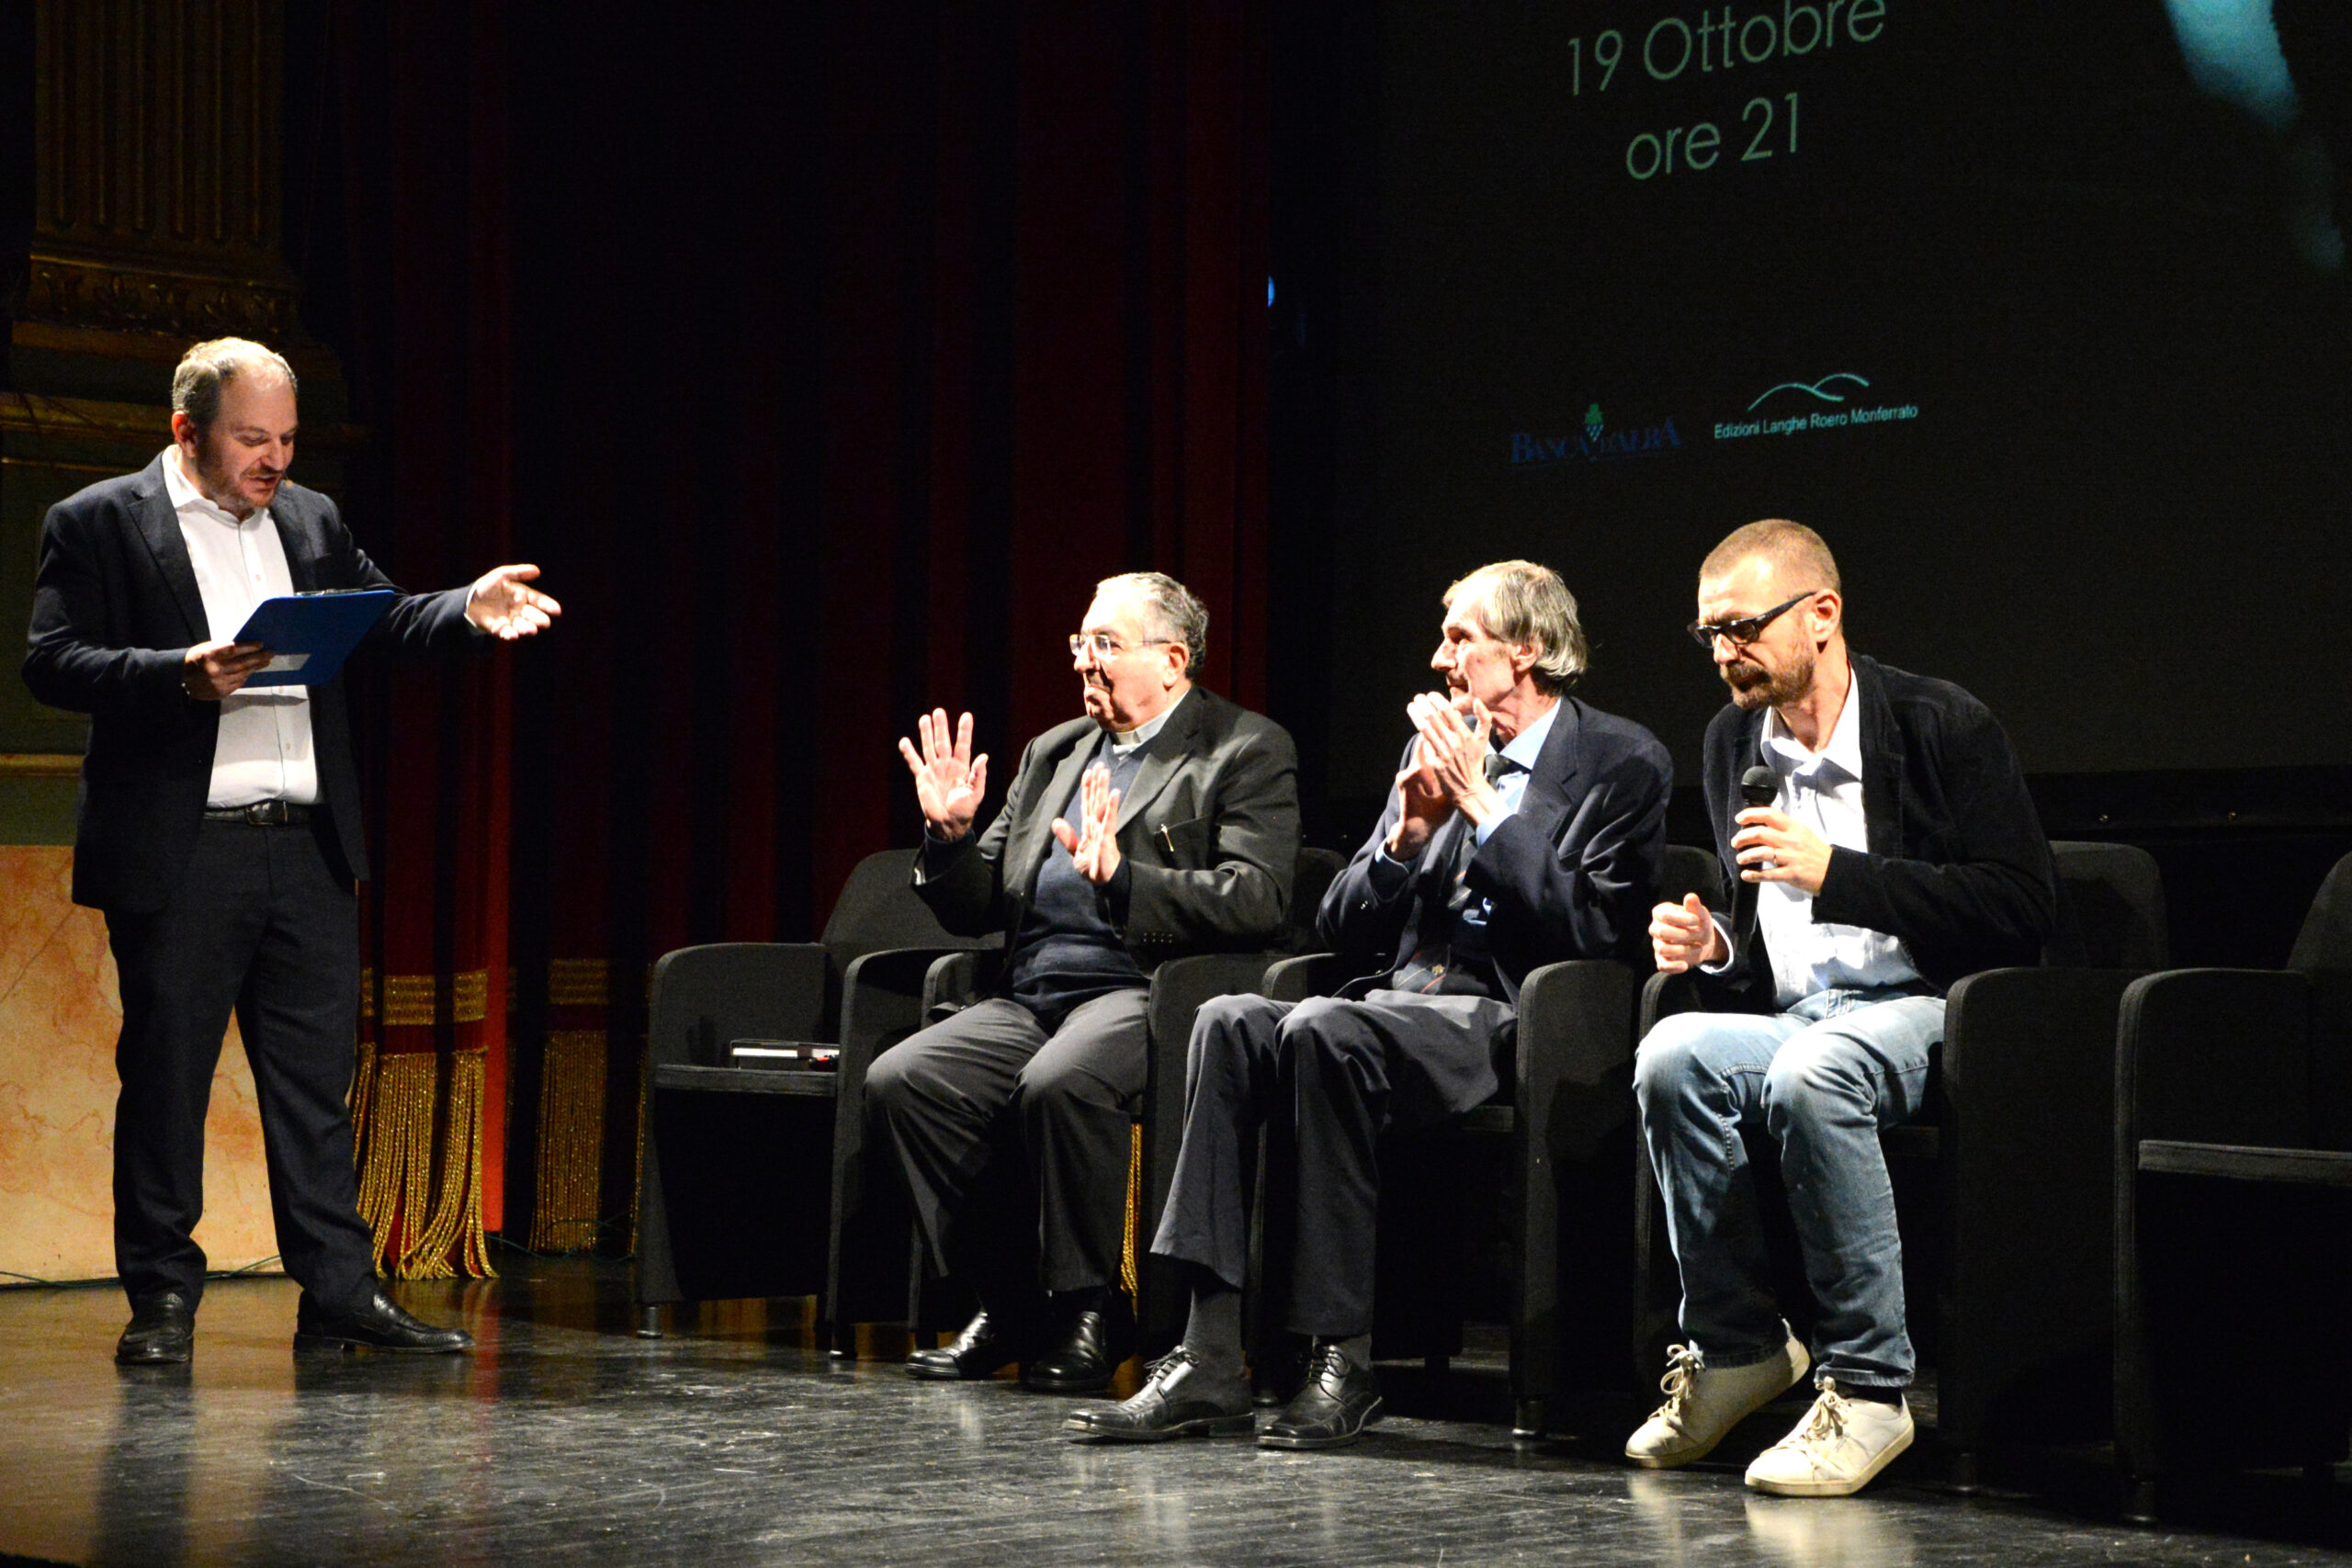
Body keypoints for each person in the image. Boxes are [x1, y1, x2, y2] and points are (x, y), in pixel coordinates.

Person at [22, 337, 560, 1363]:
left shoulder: (308, 519)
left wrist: (464, 609)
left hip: (304, 849)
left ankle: (340, 1295)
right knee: (169, 1081)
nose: (275, 460)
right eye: (252, 439)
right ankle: (164, 1303)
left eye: (287, 439)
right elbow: (51, 661)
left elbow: (385, 618)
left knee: (315, 1087)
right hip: (186, 853)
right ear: (187, 431)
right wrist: (177, 671)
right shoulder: (98, 520)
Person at [1069, 560, 1669, 1449]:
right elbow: (1340, 921)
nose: (1439, 658)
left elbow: (1596, 928)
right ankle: (1205, 1352)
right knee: (1229, 1020)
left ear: (1530, 649)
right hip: (1389, 1001)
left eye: (1460, 638)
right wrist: (1404, 839)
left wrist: (1484, 807)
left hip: (1507, 1015)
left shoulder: (1622, 761)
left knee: (1321, 1027)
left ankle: (1342, 1361)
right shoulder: (1427, 748)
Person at [1627, 519, 2056, 1495]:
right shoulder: (1732, 738)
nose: (1724, 654)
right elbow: (1769, 935)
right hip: (1802, 1012)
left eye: (1741, 627)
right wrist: (1718, 947)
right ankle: (1736, 1346)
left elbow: (2022, 907)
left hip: (1933, 1004)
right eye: (1708, 637)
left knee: (1811, 1072)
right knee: (1672, 1053)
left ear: (1821, 614)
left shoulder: (1941, 724)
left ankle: (1867, 1389)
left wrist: (1843, 877)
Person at [874, 571, 1299, 1393]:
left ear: (1172, 660)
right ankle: (1010, 1301)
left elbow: (1261, 896)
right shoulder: (1055, 750)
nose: (1085, 663)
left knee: (1061, 1083)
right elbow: (979, 904)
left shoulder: (1243, 749)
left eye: (1106, 644)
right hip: (1031, 990)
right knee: (906, 1079)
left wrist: (1125, 877)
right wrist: (951, 835)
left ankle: (1091, 1307)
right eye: (1082, 643)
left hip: (1146, 990)